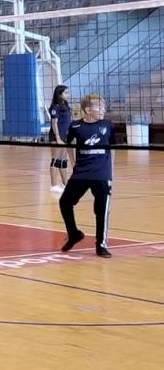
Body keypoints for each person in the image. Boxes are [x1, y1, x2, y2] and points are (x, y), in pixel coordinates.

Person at [59, 94, 114, 258]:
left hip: (102, 174)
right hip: (81, 172)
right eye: (100, 107)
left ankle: (101, 245)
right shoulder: (75, 126)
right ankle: (74, 234)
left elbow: (113, 148)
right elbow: (68, 144)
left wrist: (110, 171)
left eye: (104, 107)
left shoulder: (107, 125)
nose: (103, 110)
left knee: (102, 209)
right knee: (65, 202)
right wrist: (73, 162)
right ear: (89, 110)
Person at [48, 84, 72, 193]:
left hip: (65, 137)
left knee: (63, 161)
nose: (68, 95)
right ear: (60, 94)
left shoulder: (65, 105)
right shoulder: (55, 107)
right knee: (55, 160)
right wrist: (57, 138)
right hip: (56, 137)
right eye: (66, 93)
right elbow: (54, 123)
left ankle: (65, 184)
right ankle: (53, 185)